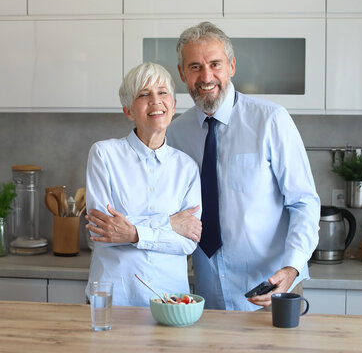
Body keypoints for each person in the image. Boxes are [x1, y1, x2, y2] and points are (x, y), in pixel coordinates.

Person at [166, 22, 320, 311]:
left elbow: (304, 203)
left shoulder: (271, 120)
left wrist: (292, 268)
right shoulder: (175, 133)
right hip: (206, 294)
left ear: (232, 66)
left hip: (272, 289)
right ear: (182, 73)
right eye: (195, 66)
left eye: (215, 64)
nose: (206, 76)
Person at [85, 62, 202, 306]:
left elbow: (188, 241)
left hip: (171, 303)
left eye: (162, 93)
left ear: (173, 106)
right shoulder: (104, 155)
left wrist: (132, 232)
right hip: (115, 300)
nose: (156, 101)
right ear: (128, 110)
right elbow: (103, 231)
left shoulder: (187, 167)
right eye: (144, 94)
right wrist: (168, 223)